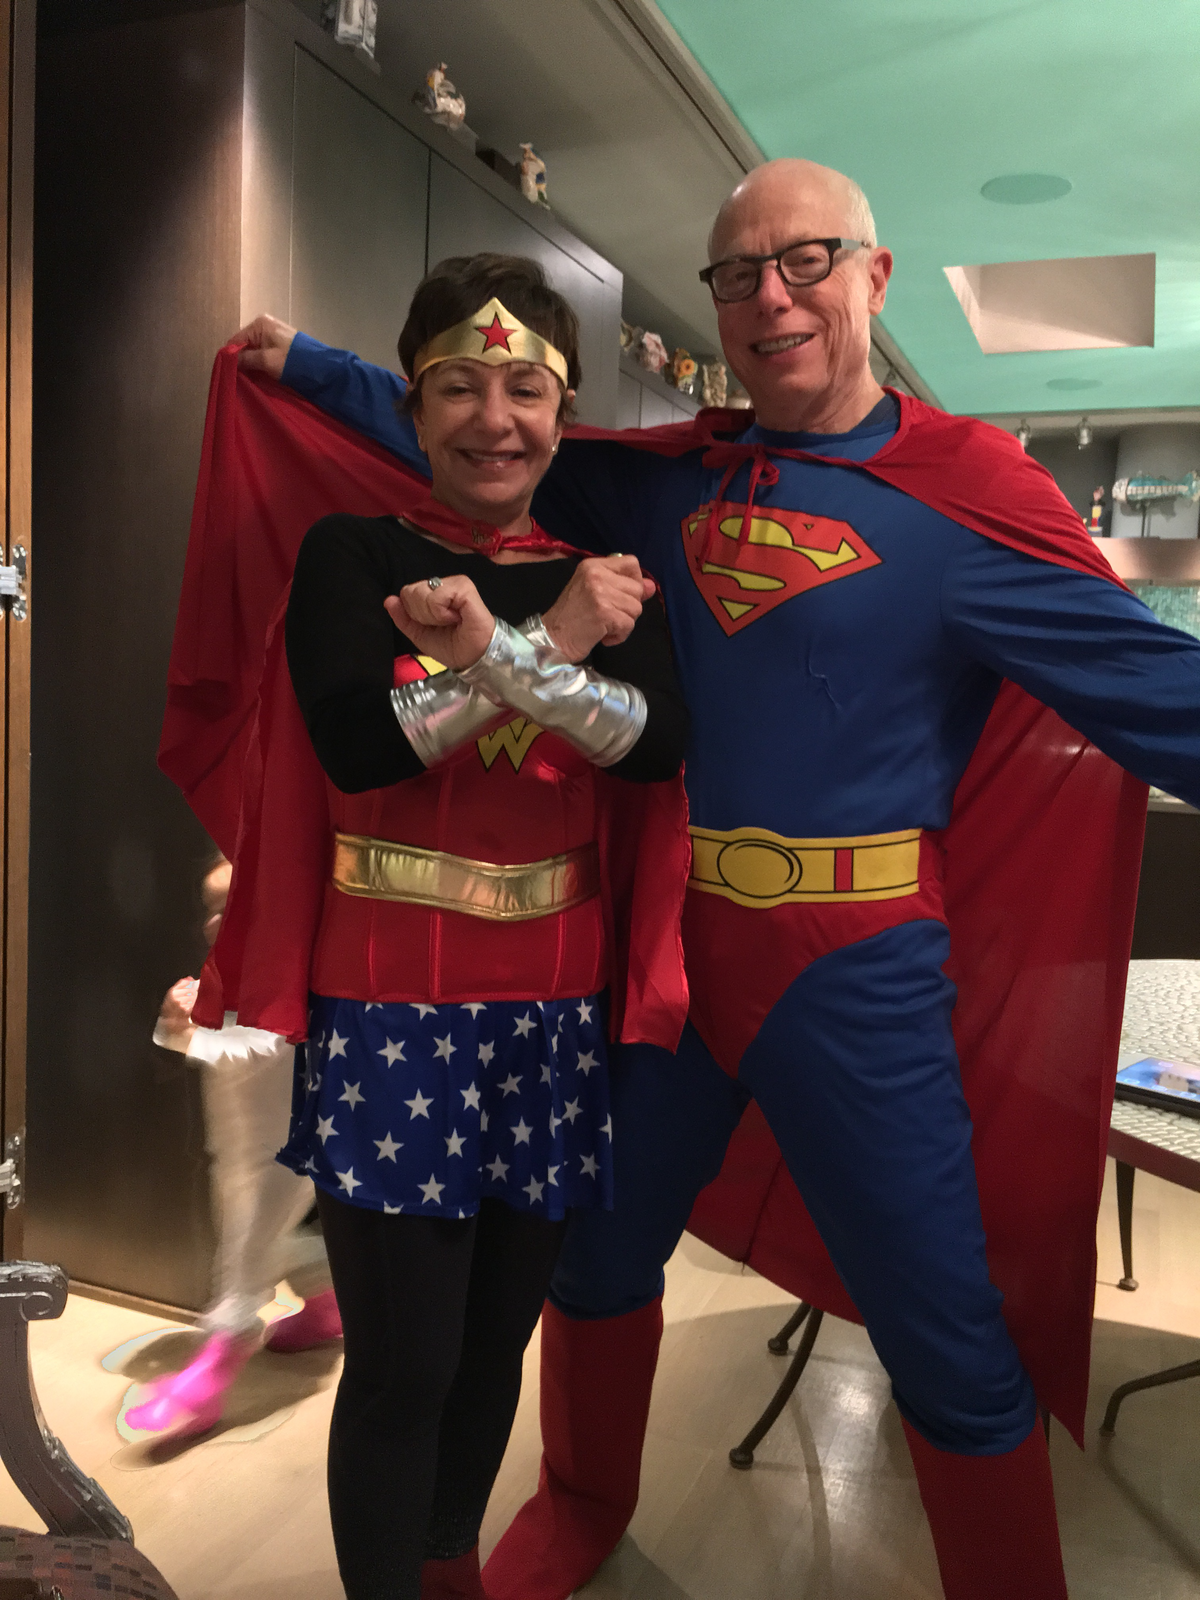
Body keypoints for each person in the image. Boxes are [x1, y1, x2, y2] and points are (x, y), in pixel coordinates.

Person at [230, 159, 1200, 1600]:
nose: (770, 297)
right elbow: (488, 433)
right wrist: (307, 365)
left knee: (940, 1315)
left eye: (804, 261)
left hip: (857, 969)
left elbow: (1156, 685)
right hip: (671, 961)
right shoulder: (662, 473)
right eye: (737, 273)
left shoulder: (968, 495)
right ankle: (576, 1499)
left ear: (874, 276)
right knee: (596, 1253)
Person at [181, 255, 690, 1600]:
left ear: (563, 413)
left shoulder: (605, 579)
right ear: (413, 410)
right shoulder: (355, 552)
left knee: (491, 1346)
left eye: (525, 387)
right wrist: (550, 647)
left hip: (553, 1015)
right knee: (403, 1362)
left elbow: (652, 758)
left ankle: (448, 1569)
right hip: (394, 1015)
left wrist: (508, 649)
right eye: (458, 387)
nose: (493, 417)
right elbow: (356, 750)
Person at [129, 854, 339, 1439]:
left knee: (242, 1259)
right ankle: (327, 1308)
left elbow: (259, 1051)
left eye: (228, 906)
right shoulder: (232, 975)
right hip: (243, 1154)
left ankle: (212, 1378)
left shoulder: (294, 978)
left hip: (282, 1158)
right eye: (210, 908)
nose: (211, 922)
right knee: (264, 1240)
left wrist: (185, 1031)